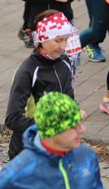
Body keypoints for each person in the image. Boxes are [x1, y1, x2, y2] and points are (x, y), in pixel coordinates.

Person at [5, 10, 76, 159]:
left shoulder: (64, 62)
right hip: (28, 151)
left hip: (59, 147)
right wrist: (50, 126)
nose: (63, 46)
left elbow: (69, 101)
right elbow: (12, 119)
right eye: (58, 40)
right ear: (41, 40)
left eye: (66, 40)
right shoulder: (28, 71)